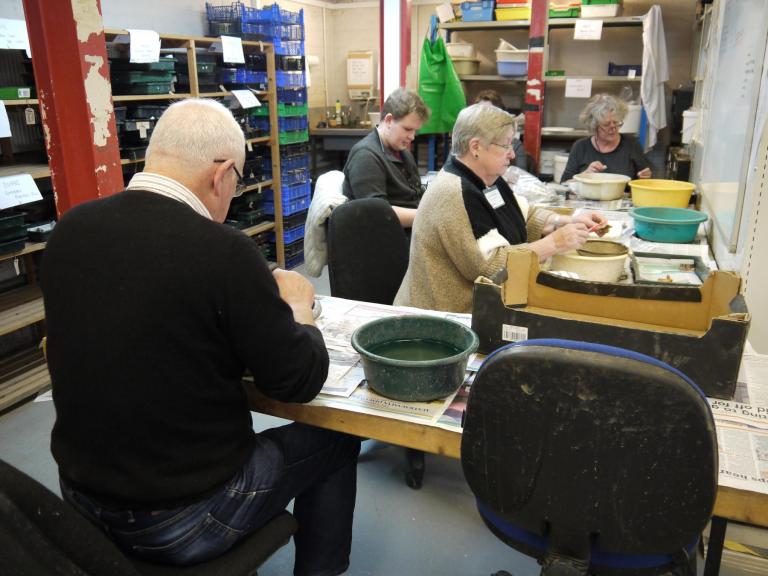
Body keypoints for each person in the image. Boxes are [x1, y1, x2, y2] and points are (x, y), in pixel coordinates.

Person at [40, 99, 360, 576]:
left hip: (80, 499)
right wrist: (296, 307)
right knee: (336, 440)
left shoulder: (70, 231)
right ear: (223, 173)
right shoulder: (223, 251)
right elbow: (299, 381)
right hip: (181, 520)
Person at [394, 103, 607, 313]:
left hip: (475, 306)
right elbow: (490, 268)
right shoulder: (454, 193)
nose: (512, 154)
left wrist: (566, 221)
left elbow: (523, 214)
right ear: (476, 147)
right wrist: (554, 243)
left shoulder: (487, 178)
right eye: (505, 145)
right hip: (441, 316)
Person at [342, 88, 430, 229]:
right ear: (389, 120)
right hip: (387, 241)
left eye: (415, 131)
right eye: (407, 129)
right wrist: (429, 217)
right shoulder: (366, 156)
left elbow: (416, 194)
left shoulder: (403, 153)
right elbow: (376, 214)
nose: (412, 137)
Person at [561, 93, 653, 182]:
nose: (613, 128)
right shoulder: (580, 147)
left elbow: (646, 179)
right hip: (587, 197)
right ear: (594, 126)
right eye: (606, 124)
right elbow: (564, 184)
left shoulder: (631, 144)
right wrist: (585, 175)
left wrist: (646, 177)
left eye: (616, 122)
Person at [474, 89, 527, 170]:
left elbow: (522, 177)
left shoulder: (515, 145)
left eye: (490, 114)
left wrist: (504, 176)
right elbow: (452, 175)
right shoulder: (465, 142)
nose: (484, 119)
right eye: (481, 114)